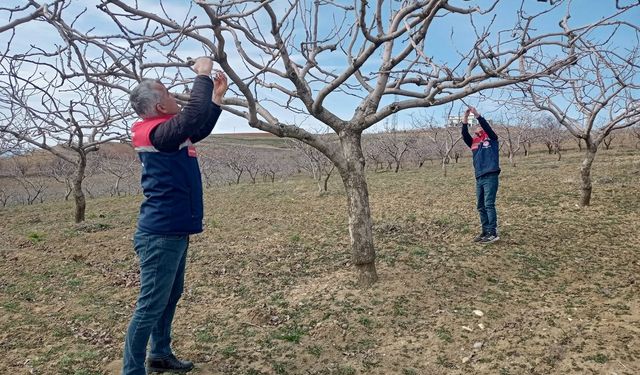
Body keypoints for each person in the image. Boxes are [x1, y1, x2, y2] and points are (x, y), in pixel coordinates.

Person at [123, 57, 228, 375]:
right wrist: (203, 75)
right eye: (168, 94)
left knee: (170, 296)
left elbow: (197, 126)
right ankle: (132, 370)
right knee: (150, 304)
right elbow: (191, 117)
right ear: (157, 106)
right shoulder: (156, 134)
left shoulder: (164, 132)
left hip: (173, 230)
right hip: (161, 234)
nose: (174, 98)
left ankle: (160, 354)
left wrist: (216, 100)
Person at [461, 106, 500, 244]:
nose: (477, 127)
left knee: (489, 204)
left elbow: (486, 126)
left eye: (479, 126)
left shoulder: (492, 139)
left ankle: (493, 232)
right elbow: (465, 134)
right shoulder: (474, 142)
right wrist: (465, 118)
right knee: (480, 205)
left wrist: (477, 115)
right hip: (479, 176)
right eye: (475, 126)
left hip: (491, 174)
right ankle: (485, 230)